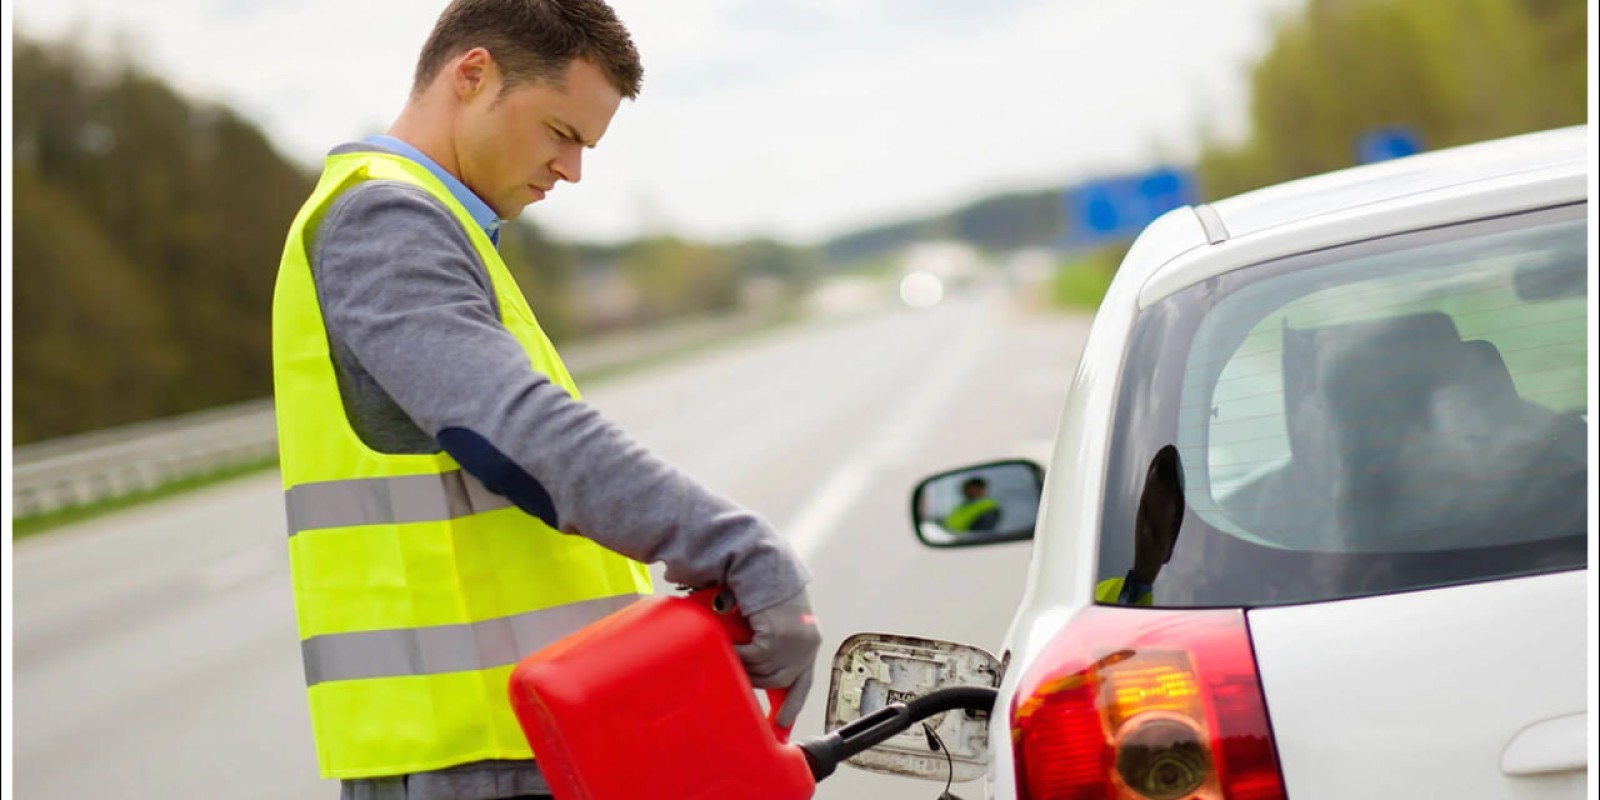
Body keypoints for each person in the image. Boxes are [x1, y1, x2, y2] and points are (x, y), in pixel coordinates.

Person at [270, 2, 820, 798]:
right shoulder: (384, 219)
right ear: (473, 74)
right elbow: (514, 428)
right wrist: (736, 546)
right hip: (468, 748)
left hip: (518, 733)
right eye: (561, 132)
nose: (572, 170)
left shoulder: (435, 225)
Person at [1095, 445, 1186, 605]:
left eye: (1156, 529)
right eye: (1145, 513)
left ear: (1171, 544)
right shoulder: (1099, 593)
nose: (1145, 533)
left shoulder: (1170, 607)